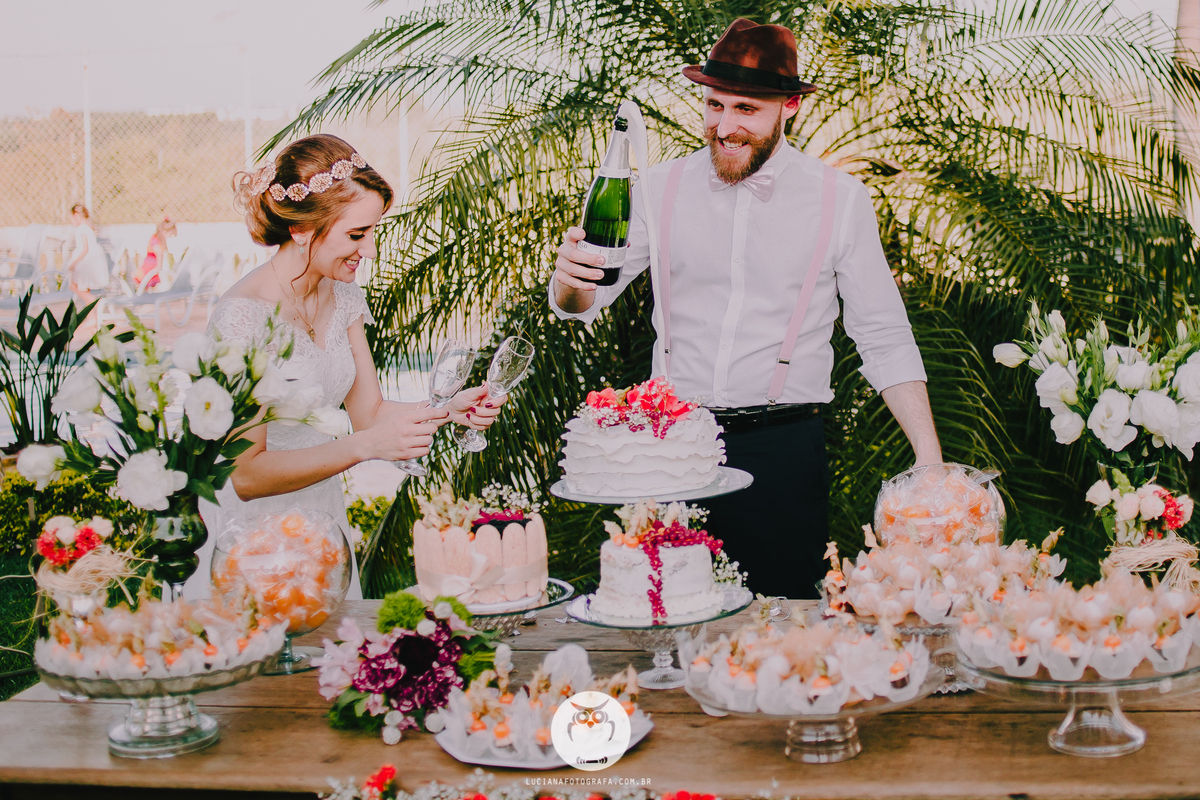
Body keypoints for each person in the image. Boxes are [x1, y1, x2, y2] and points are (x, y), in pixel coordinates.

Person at [549, 19, 942, 599]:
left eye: (746, 110)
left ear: (789, 108)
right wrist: (568, 281)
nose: (725, 126)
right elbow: (583, 301)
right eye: (714, 105)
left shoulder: (839, 199)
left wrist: (930, 464)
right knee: (666, 618)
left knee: (782, 631)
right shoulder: (657, 188)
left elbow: (882, 336)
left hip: (783, 451)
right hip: (672, 448)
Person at [184, 134, 505, 600]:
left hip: (322, 526)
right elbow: (247, 475)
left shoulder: (344, 296)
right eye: (357, 235)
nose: (370, 250)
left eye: (373, 232)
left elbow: (369, 414)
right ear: (302, 230)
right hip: (252, 540)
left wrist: (447, 408)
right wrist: (365, 447)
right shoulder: (242, 318)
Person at [65, 204, 109, 300]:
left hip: (86, 262)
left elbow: (85, 249)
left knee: (75, 286)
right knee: (83, 289)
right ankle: (91, 312)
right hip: (92, 260)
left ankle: (94, 303)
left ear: (76, 216)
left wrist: (74, 263)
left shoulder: (81, 229)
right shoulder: (89, 227)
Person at [133, 215, 177, 290]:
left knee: (146, 289)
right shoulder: (157, 242)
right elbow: (159, 253)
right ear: (164, 232)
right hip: (149, 269)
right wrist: (159, 266)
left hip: (149, 268)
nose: (170, 237)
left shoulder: (155, 239)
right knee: (144, 288)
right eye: (170, 235)